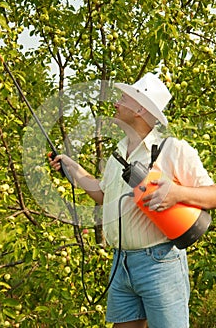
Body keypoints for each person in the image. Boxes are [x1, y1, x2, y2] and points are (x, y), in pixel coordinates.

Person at [49, 72, 216, 328]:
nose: (116, 103)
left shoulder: (173, 149)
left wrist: (178, 194)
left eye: (123, 98)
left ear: (139, 108)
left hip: (159, 263)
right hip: (121, 263)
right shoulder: (119, 151)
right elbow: (104, 194)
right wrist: (71, 166)